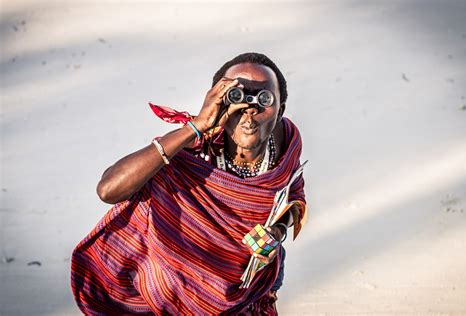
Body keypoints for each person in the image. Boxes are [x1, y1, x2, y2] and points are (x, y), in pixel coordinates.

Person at [71, 52, 307, 314]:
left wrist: (277, 233)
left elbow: (293, 194)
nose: (249, 109)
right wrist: (196, 126)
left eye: (264, 99)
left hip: (251, 282)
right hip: (183, 279)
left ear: (281, 110)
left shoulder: (286, 142)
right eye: (236, 96)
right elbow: (108, 189)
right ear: (215, 100)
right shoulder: (191, 148)